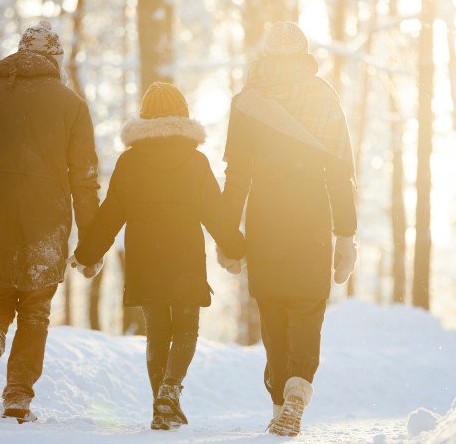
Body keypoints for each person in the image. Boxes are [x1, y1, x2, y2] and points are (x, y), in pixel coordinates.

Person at [0, 20, 100, 423]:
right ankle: (17, 400)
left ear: (20, 50)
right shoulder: (72, 105)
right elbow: (84, 181)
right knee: (34, 311)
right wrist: (92, 244)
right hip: (46, 223)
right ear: (54, 58)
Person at [70, 82, 245, 430]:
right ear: (183, 115)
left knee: (157, 332)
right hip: (184, 259)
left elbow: (110, 216)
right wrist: (236, 248)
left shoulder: (129, 162)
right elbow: (216, 213)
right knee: (185, 329)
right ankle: (169, 391)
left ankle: (160, 407)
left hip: (144, 259)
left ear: (145, 117)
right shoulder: (195, 162)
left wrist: (87, 254)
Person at [217, 21, 358, 436]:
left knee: (273, 312)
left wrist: (228, 238)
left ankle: (280, 401)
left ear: (265, 57)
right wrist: (346, 236)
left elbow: (236, 176)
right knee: (308, 307)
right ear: (303, 56)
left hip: (266, 220)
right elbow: (340, 173)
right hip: (312, 219)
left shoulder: (247, 103)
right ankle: (298, 390)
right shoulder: (324, 98)